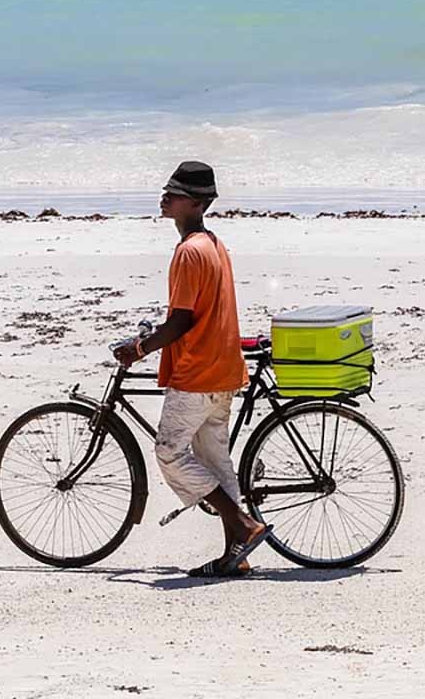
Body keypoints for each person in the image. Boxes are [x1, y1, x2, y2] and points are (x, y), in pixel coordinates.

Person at [112, 161, 272, 577]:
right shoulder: (215, 244)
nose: (165, 196)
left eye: (176, 192)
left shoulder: (188, 252)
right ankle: (237, 554)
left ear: (196, 203)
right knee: (217, 463)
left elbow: (181, 322)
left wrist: (140, 347)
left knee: (168, 451)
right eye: (167, 189)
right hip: (224, 369)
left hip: (197, 372)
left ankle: (243, 525)